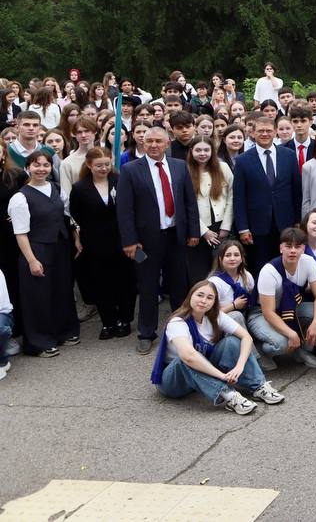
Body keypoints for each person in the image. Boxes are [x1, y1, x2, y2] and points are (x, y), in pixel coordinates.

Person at [117, 126, 201, 354]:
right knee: (147, 285)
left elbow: (190, 202)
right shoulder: (130, 170)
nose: (153, 145)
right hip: (144, 241)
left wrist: (193, 232)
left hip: (176, 236)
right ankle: (146, 333)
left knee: (179, 284)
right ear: (142, 143)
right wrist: (129, 241)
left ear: (167, 143)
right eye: (149, 141)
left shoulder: (180, 166)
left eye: (158, 141)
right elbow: (124, 210)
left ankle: (182, 327)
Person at [151, 280, 283, 416]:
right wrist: (222, 376)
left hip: (201, 372)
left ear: (214, 302)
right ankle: (229, 395)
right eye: (200, 295)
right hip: (173, 382)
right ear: (190, 296)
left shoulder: (215, 316)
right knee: (185, 359)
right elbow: (188, 356)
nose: (203, 301)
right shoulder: (178, 322)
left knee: (232, 341)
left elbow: (246, 337)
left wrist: (240, 366)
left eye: (209, 298)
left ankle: (258, 386)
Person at [9, 151, 78, 357]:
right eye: (36, 165)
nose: (41, 169)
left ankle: (62, 332)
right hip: (36, 249)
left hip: (60, 246)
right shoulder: (20, 197)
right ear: (27, 168)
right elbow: (21, 233)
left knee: (61, 290)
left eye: (46, 165)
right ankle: (39, 343)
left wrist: (76, 239)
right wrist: (31, 260)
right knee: (38, 297)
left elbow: (67, 215)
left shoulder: (56, 188)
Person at [68, 147, 136, 339]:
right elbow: (75, 215)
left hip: (123, 240)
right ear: (89, 165)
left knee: (126, 281)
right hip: (95, 243)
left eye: (107, 164)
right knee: (101, 283)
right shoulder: (79, 188)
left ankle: (125, 319)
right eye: (99, 165)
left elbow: (132, 208)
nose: (104, 168)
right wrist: (79, 237)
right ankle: (108, 321)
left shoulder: (121, 181)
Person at [247, 227, 316, 370]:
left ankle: (302, 350)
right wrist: (291, 333)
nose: (293, 251)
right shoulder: (269, 271)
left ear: (303, 248)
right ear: (281, 248)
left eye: (297, 246)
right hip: (261, 314)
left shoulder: (309, 262)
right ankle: (260, 351)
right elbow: (268, 312)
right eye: (288, 246)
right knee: (281, 344)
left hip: (291, 308)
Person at [232, 116, 302, 273]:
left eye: (268, 130)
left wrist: (297, 220)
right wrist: (243, 228)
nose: (265, 134)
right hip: (257, 225)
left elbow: (296, 191)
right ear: (253, 133)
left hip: (285, 222)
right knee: (260, 266)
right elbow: (239, 197)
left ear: (275, 132)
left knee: (285, 265)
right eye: (260, 131)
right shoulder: (242, 160)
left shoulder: (289, 155)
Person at [186, 136, 233, 290]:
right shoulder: (185, 170)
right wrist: (204, 231)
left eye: (206, 150)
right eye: (198, 150)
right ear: (191, 151)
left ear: (212, 151)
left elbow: (231, 197)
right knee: (199, 273)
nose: (202, 153)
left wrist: (226, 226)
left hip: (221, 226)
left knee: (221, 271)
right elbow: (186, 204)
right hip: (198, 229)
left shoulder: (223, 167)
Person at [208, 240, 255, 329]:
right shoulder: (214, 282)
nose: (232, 258)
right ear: (220, 259)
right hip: (222, 323)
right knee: (236, 315)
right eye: (228, 255)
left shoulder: (246, 275)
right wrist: (233, 306)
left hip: (247, 316)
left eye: (236, 255)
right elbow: (209, 314)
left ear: (241, 258)